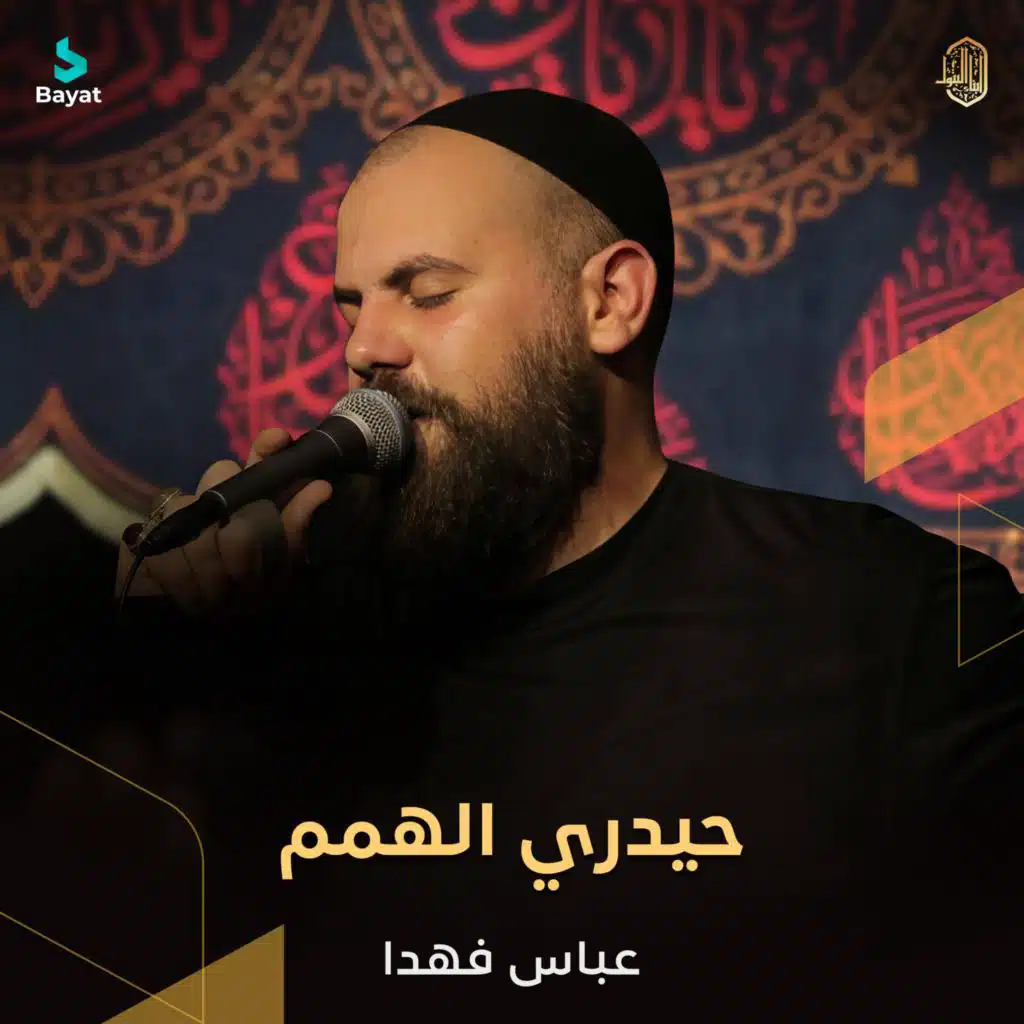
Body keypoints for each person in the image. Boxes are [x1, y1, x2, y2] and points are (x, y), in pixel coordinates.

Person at [101, 90, 1021, 1017]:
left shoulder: (897, 619)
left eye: (428, 293)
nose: (365, 349)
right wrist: (200, 655)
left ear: (609, 301)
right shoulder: (286, 622)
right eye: (352, 308)